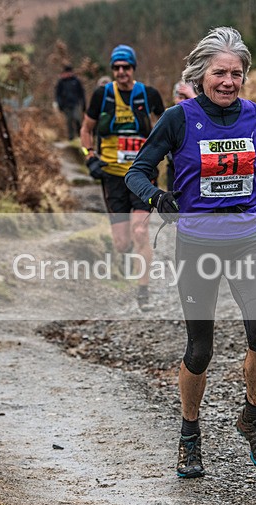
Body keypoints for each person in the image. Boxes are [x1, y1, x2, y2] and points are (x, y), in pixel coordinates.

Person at [125, 27, 256, 478]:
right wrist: (156, 197)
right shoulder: (178, 119)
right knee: (200, 349)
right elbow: (137, 172)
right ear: (200, 74)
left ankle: (252, 418)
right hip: (197, 246)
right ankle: (189, 434)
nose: (228, 81)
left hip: (246, 241)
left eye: (236, 73)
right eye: (219, 73)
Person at [80, 45, 165, 311]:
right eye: (116, 68)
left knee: (140, 231)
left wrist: (166, 154)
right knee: (121, 243)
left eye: (125, 67)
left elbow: (168, 127)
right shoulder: (102, 95)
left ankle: (143, 292)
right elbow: (86, 130)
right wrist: (89, 157)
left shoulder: (149, 95)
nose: (121, 72)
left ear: (133, 69)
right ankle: (128, 256)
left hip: (142, 176)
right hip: (112, 176)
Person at [166, 81, 197, 191]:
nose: (183, 101)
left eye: (187, 97)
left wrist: (193, 96)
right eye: (180, 97)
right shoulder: (169, 115)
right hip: (174, 170)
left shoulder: (199, 115)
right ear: (174, 98)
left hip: (195, 172)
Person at [54, 65, 86, 141]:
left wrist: (83, 103)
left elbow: (81, 93)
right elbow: (58, 94)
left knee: (77, 118)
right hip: (66, 105)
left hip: (75, 103)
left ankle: (80, 135)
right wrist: (60, 104)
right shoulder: (61, 82)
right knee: (69, 121)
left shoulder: (76, 81)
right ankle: (71, 137)